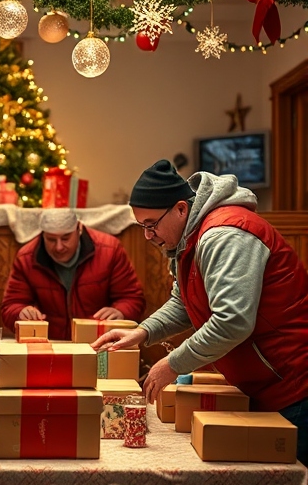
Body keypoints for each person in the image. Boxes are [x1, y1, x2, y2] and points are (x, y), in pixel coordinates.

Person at [91, 159, 308, 466]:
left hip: (293, 385)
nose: (147, 236)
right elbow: (184, 302)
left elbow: (232, 322)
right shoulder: (188, 237)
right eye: (142, 226)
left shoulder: (225, 234)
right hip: (263, 382)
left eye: (151, 224)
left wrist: (173, 363)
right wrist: (141, 332)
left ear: (181, 209)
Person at [1, 208, 146, 340]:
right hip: (51, 344)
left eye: (65, 238)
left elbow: (133, 298)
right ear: (42, 235)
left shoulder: (110, 250)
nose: (58, 247)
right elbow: (10, 306)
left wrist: (120, 312)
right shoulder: (26, 257)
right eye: (51, 239)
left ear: (79, 229)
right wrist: (20, 313)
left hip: (100, 341)